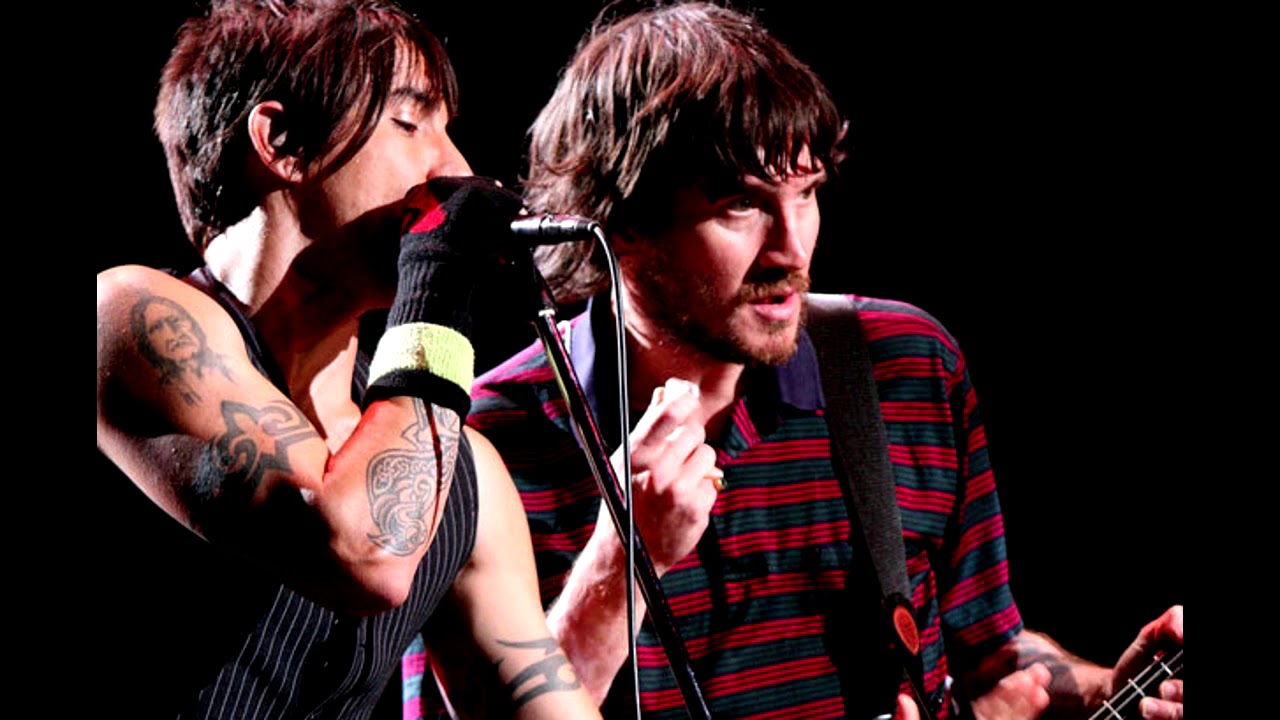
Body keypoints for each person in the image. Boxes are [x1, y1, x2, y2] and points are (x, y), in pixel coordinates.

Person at [411, 2, 1185, 719]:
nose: (791, 249)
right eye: (741, 204)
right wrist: (625, 558)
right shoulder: (472, 446)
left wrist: (1107, 690)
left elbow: (989, 655)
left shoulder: (906, 369)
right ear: (622, 222)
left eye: (806, 193)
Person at [94, 1, 602, 718]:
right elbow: (367, 554)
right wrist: (438, 279)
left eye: (448, 130)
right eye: (409, 122)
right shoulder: (128, 318)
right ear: (281, 142)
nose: (455, 168)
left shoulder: (460, 472)